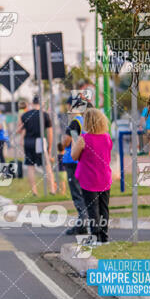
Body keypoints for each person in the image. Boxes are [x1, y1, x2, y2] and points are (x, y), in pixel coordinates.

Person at [71, 108, 112, 244]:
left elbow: (74, 156)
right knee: (104, 208)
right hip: (105, 178)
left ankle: (95, 238)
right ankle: (104, 237)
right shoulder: (107, 138)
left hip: (89, 179)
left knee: (92, 209)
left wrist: (74, 143)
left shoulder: (83, 139)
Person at [16, 96, 56, 196]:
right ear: (41, 104)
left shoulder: (25, 115)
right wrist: (49, 147)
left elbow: (19, 130)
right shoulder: (45, 115)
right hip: (40, 142)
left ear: (32, 103)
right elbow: (50, 132)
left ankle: (34, 191)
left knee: (30, 167)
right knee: (46, 166)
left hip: (28, 142)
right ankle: (52, 189)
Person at [61, 98, 90, 235]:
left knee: (77, 193)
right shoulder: (85, 121)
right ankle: (83, 222)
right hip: (83, 160)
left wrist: (62, 142)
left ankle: (82, 224)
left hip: (73, 162)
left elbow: (68, 141)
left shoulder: (74, 122)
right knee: (83, 193)